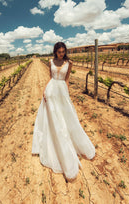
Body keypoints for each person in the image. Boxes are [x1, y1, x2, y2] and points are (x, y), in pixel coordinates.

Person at [32, 42, 96, 181]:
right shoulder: (51, 62)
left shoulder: (69, 63)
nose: (61, 53)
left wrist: (67, 93)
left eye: (63, 51)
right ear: (55, 52)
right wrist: (44, 90)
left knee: (67, 117)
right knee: (54, 118)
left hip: (62, 91)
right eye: (59, 51)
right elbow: (50, 78)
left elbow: (67, 80)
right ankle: (57, 141)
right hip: (51, 90)